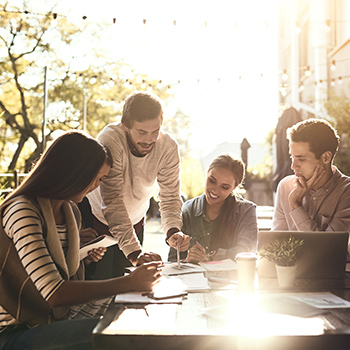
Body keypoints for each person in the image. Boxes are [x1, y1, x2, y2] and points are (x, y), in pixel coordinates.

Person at [0, 130, 162, 350]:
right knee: (123, 328)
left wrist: (82, 258)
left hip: (52, 318)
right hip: (17, 330)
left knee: (136, 309)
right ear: (75, 172)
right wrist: (129, 282)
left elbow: (58, 271)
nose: (97, 185)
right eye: (98, 178)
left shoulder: (71, 212)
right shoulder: (23, 211)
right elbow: (54, 293)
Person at [85, 91, 190, 278]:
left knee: (130, 287)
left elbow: (170, 195)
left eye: (155, 131)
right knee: (99, 286)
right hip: (96, 218)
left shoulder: (168, 147)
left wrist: (173, 229)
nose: (149, 139)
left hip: (134, 221)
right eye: (141, 132)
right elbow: (112, 201)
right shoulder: (110, 140)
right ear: (125, 125)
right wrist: (135, 253)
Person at [271, 118, 350, 256]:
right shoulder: (285, 187)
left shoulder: (346, 192)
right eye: (292, 158)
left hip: (334, 275)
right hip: (289, 274)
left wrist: (295, 205)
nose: (293, 166)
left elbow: (326, 251)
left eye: (301, 159)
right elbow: (275, 247)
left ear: (325, 158)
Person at [168, 154, 258, 263]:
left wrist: (211, 256)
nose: (215, 190)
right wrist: (187, 260)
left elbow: (247, 251)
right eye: (212, 181)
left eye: (225, 187)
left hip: (231, 279)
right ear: (206, 174)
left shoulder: (246, 211)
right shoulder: (188, 209)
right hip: (194, 279)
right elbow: (173, 260)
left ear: (234, 187)